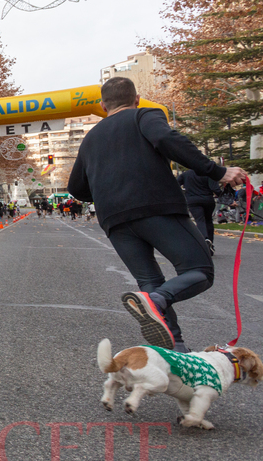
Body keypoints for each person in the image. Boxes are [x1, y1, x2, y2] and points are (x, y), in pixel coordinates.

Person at [68, 77, 247, 353]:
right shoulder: (145, 115)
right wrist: (218, 171)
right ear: (137, 99)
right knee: (200, 270)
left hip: (114, 219)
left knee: (150, 283)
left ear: (103, 105)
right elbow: (166, 139)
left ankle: (177, 349)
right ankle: (157, 301)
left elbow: (75, 187)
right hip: (155, 207)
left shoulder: (90, 138)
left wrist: (110, 193)